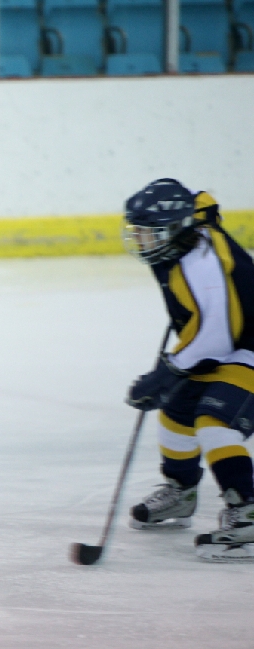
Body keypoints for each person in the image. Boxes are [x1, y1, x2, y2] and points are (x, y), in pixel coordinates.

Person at [123, 178, 254, 562]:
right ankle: (181, 492)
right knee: (176, 414)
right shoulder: (183, 241)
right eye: (137, 232)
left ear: (175, 229)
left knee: (215, 422)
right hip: (232, 344)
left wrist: (169, 370)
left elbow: (217, 335)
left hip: (245, 348)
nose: (140, 240)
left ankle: (248, 513)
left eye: (148, 233)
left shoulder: (203, 263)